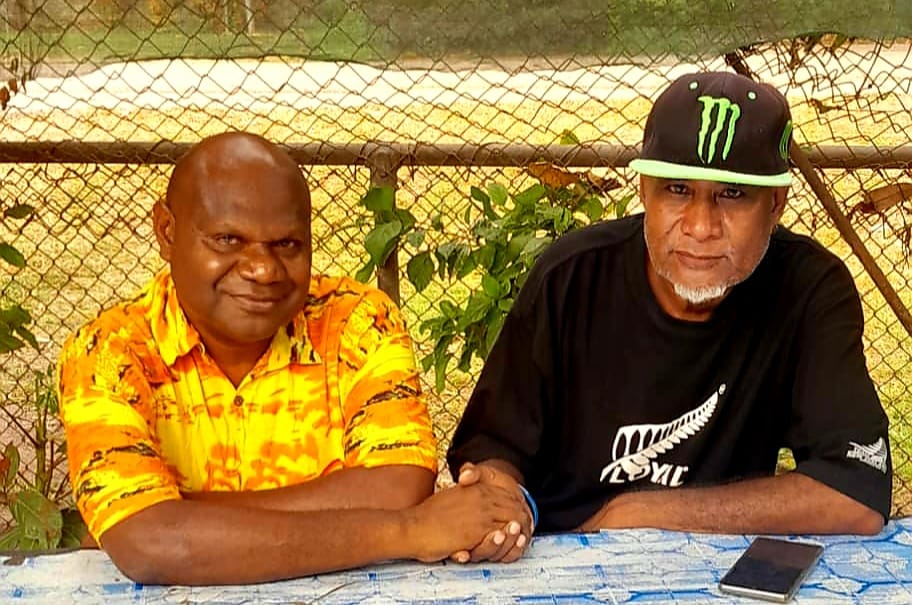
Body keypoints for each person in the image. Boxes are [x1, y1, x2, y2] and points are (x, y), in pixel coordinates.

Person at [448, 71, 892, 560]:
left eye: (732, 194)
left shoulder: (808, 289)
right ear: (645, 191)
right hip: (556, 559)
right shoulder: (570, 277)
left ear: (776, 204)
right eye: (678, 190)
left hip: (713, 567)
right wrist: (497, 506)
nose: (701, 227)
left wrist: (638, 514)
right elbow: (492, 451)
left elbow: (855, 494)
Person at [56, 132, 530, 585]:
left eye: (286, 245)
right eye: (228, 240)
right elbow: (149, 545)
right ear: (166, 231)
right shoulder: (109, 353)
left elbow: (399, 487)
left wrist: (184, 519)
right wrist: (406, 531)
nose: (263, 269)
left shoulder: (356, 323)